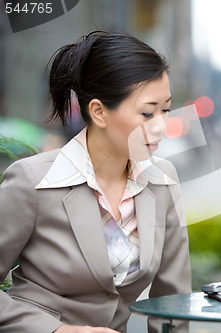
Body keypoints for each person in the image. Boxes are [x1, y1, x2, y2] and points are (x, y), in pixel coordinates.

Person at [0, 31, 191, 332]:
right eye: (147, 113)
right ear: (99, 112)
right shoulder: (32, 181)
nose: (161, 126)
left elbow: (173, 301)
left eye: (165, 110)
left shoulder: (162, 180)